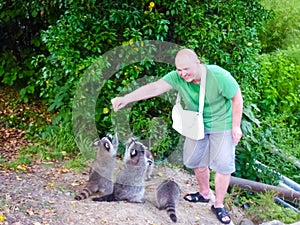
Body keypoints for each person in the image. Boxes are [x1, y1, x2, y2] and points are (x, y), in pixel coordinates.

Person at [111, 49, 243, 224]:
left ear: (198, 63)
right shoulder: (177, 77)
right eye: (179, 69)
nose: (183, 73)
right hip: (196, 124)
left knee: (223, 166)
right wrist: (126, 98)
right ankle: (204, 193)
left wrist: (235, 126)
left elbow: (237, 97)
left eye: (186, 69)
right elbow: (155, 87)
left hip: (222, 124)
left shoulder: (218, 76)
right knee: (195, 160)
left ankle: (218, 205)